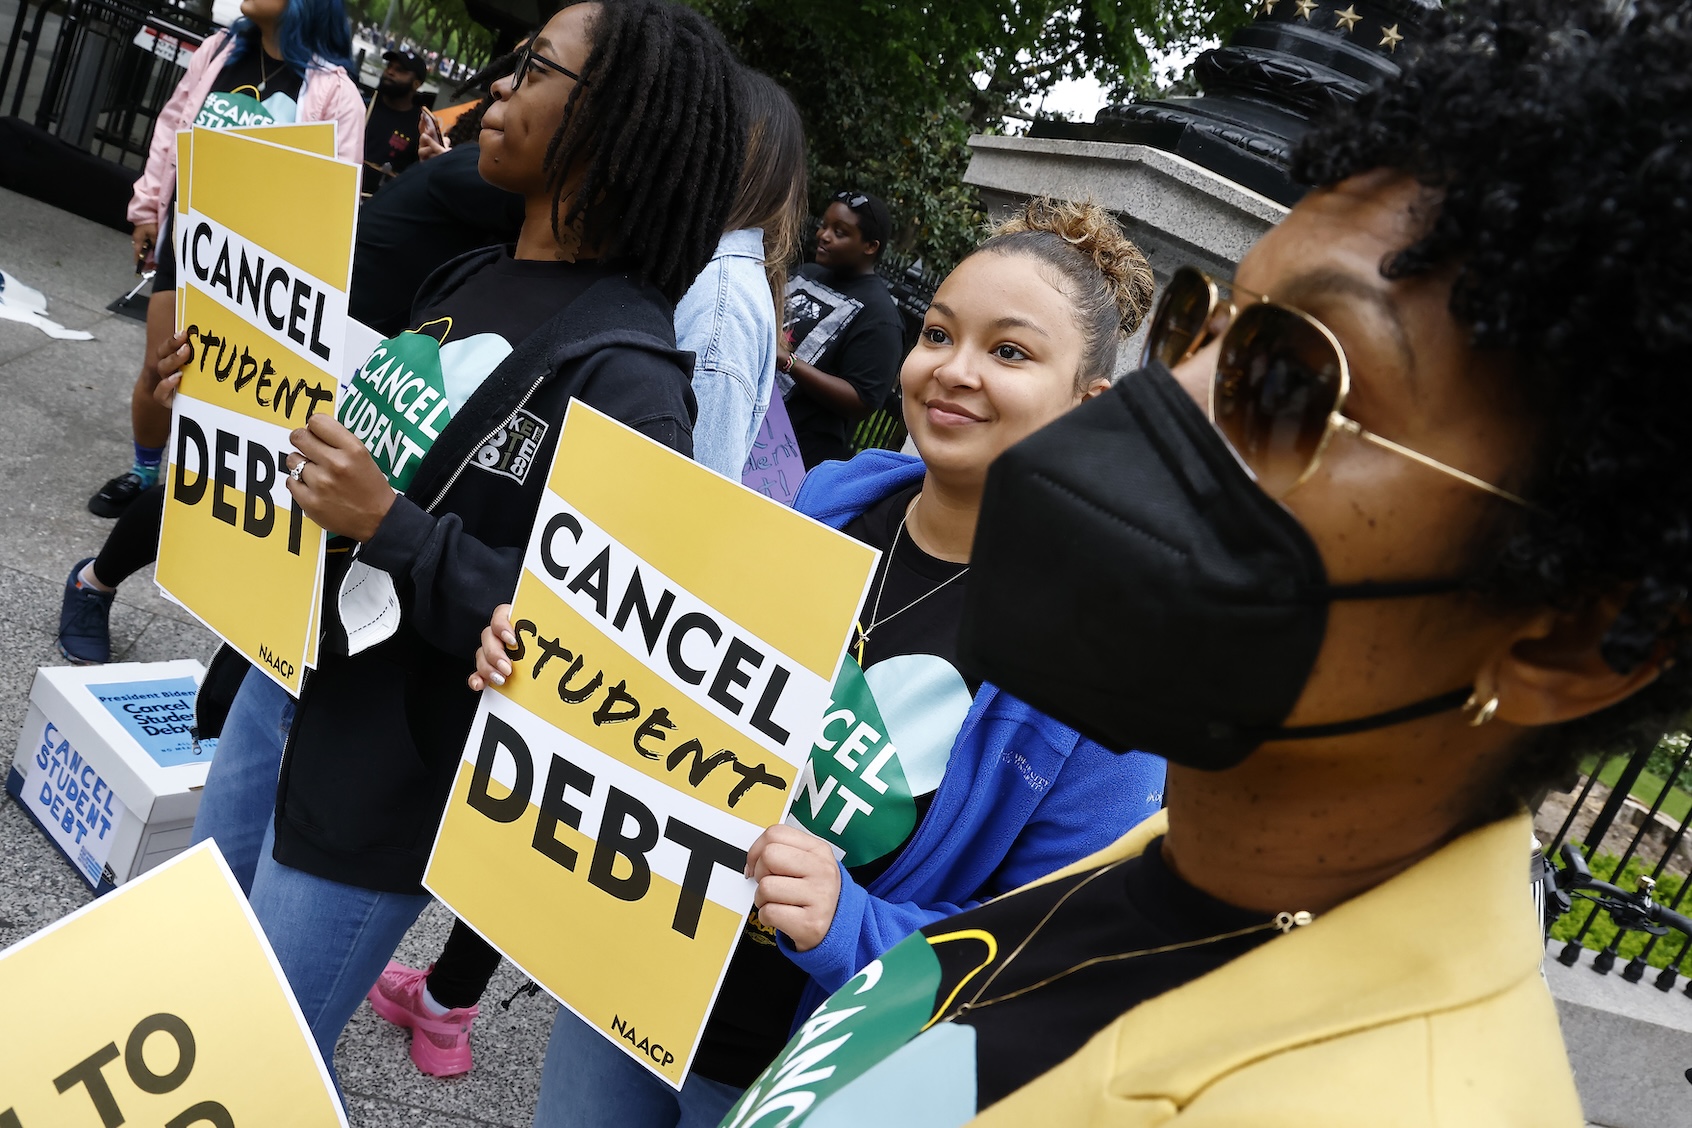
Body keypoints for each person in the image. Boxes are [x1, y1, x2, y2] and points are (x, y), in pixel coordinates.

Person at [723, 2, 1692, 1123]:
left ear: (1569, 633)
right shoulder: (1173, 863)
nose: (1162, 404)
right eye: (1209, 331)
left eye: (1293, 382)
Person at [466, 197, 1166, 1126]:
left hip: (802, 1073)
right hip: (631, 985)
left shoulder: (1111, 676)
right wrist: (547, 665)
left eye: (1009, 352)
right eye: (938, 333)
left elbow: (1051, 956)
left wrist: (850, 925)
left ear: (1091, 405)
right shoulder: (827, 503)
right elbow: (677, 693)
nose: (953, 371)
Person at [157, 0, 745, 1089]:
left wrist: (394, 528)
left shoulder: (633, 380)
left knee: (261, 1071)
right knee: (195, 990)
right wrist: (231, 397)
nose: (499, 85)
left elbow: (583, 652)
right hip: (283, 695)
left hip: (386, 780)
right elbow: (361, 457)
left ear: (615, 123)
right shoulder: (468, 276)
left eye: (534, 68)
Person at [362, 66, 808, 1080]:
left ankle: (451, 1000)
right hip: (551, 581)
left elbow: (697, 489)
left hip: (610, 596)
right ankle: (447, 993)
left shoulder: (725, 298)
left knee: (538, 802)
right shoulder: (677, 268)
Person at [55, 53, 526, 666]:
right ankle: (92, 581)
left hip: (370, 356)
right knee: (233, 479)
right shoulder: (481, 179)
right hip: (324, 348)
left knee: (270, 501)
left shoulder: (475, 184)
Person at [83, 0, 362, 523]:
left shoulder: (336, 93)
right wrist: (147, 207)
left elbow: (336, 204)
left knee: (226, 387)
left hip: (260, 270)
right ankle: (144, 474)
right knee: (160, 368)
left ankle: (207, 497)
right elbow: (171, 128)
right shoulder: (219, 51)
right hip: (189, 239)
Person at [780, 190, 904, 469]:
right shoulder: (807, 272)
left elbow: (863, 398)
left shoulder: (880, 316)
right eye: (825, 226)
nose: (823, 235)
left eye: (840, 232)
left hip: (795, 454)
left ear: (870, 246)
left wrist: (789, 363)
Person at [362, 49, 427, 196]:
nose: (390, 72)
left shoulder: (420, 126)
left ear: (416, 84)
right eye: (389, 66)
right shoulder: (364, 104)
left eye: (400, 70)